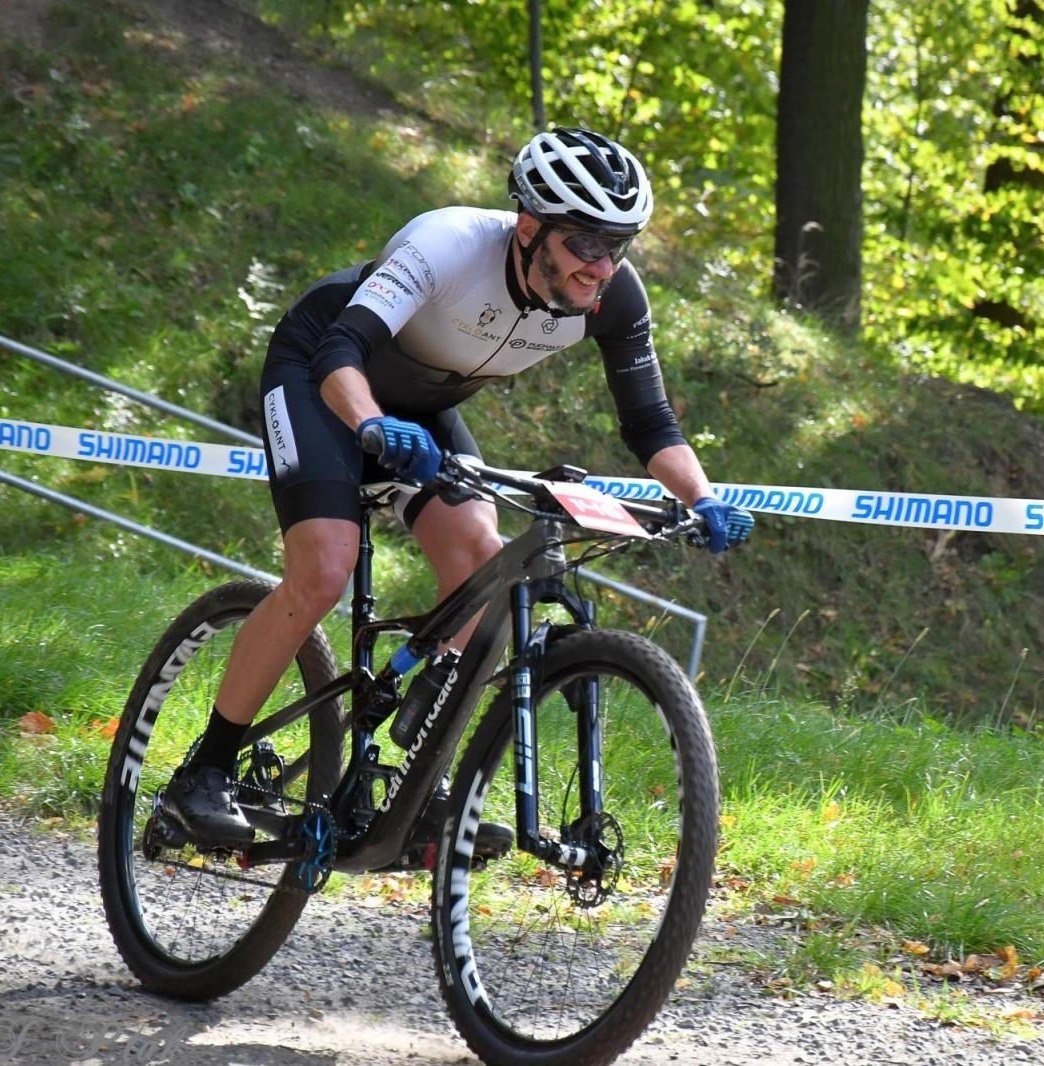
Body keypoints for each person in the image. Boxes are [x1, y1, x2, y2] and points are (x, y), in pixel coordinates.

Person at [162, 127, 754, 850]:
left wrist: (702, 497)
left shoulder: (613, 297)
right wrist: (372, 424)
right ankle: (207, 769)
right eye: (587, 244)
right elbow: (340, 350)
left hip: (419, 407)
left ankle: (420, 783)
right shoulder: (445, 244)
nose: (603, 266)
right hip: (323, 377)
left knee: (482, 557)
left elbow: (650, 421)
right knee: (324, 568)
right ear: (531, 228)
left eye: (619, 244)